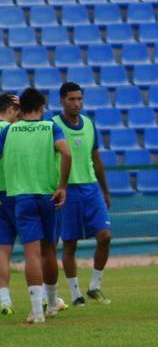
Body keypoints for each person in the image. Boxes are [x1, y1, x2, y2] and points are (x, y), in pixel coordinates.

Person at [0, 88, 72, 324]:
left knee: (31, 253)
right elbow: (66, 153)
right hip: (49, 196)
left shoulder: (10, 130)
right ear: (41, 108)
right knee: (49, 250)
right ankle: (51, 304)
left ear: (21, 109)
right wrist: (62, 186)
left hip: (22, 197)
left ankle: (37, 312)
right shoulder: (51, 126)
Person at [52, 82, 113, 306]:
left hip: (91, 188)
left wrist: (105, 190)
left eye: (79, 99)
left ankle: (95, 286)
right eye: (71, 99)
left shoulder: (89, 124)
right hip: (68, 190)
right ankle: (76, 294)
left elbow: (96, 159)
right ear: (62, 100)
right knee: (69, 243)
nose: (76, 103)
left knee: (105, 236)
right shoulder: (53, 125)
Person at [0, 92, 19, 315]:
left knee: (3, 249)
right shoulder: (12, 131)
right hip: (17, 191)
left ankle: (4, 300)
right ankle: (43, 297)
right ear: (11, 110)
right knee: (37, 246)